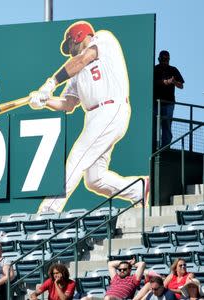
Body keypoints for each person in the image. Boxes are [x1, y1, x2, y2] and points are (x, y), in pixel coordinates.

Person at [28, 21, 148, 212]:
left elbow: (85, 58)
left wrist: (51, 83)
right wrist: (44, 100)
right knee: (94, 179)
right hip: (94, 116)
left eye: (70, 45)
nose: (70, 51)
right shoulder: (76, 73)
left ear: (78, 36)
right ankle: (137, 189)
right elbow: (67, 104)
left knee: (78, 156)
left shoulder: (103, 38)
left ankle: (49, 209)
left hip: (111, 107)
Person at [153, 50, 184, 147]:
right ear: (159, 59)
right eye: (163, 59)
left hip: (168, 103)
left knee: (166, 126)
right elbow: (151, 82)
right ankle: (153, 147)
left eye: (167, 59)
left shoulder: (173, 70)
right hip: (155, 103)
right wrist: (165, 82)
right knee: (154, 126)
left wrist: (173, 82)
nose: (165, 61)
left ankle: (165, 148)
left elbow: (181, 85)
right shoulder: (154, 69)